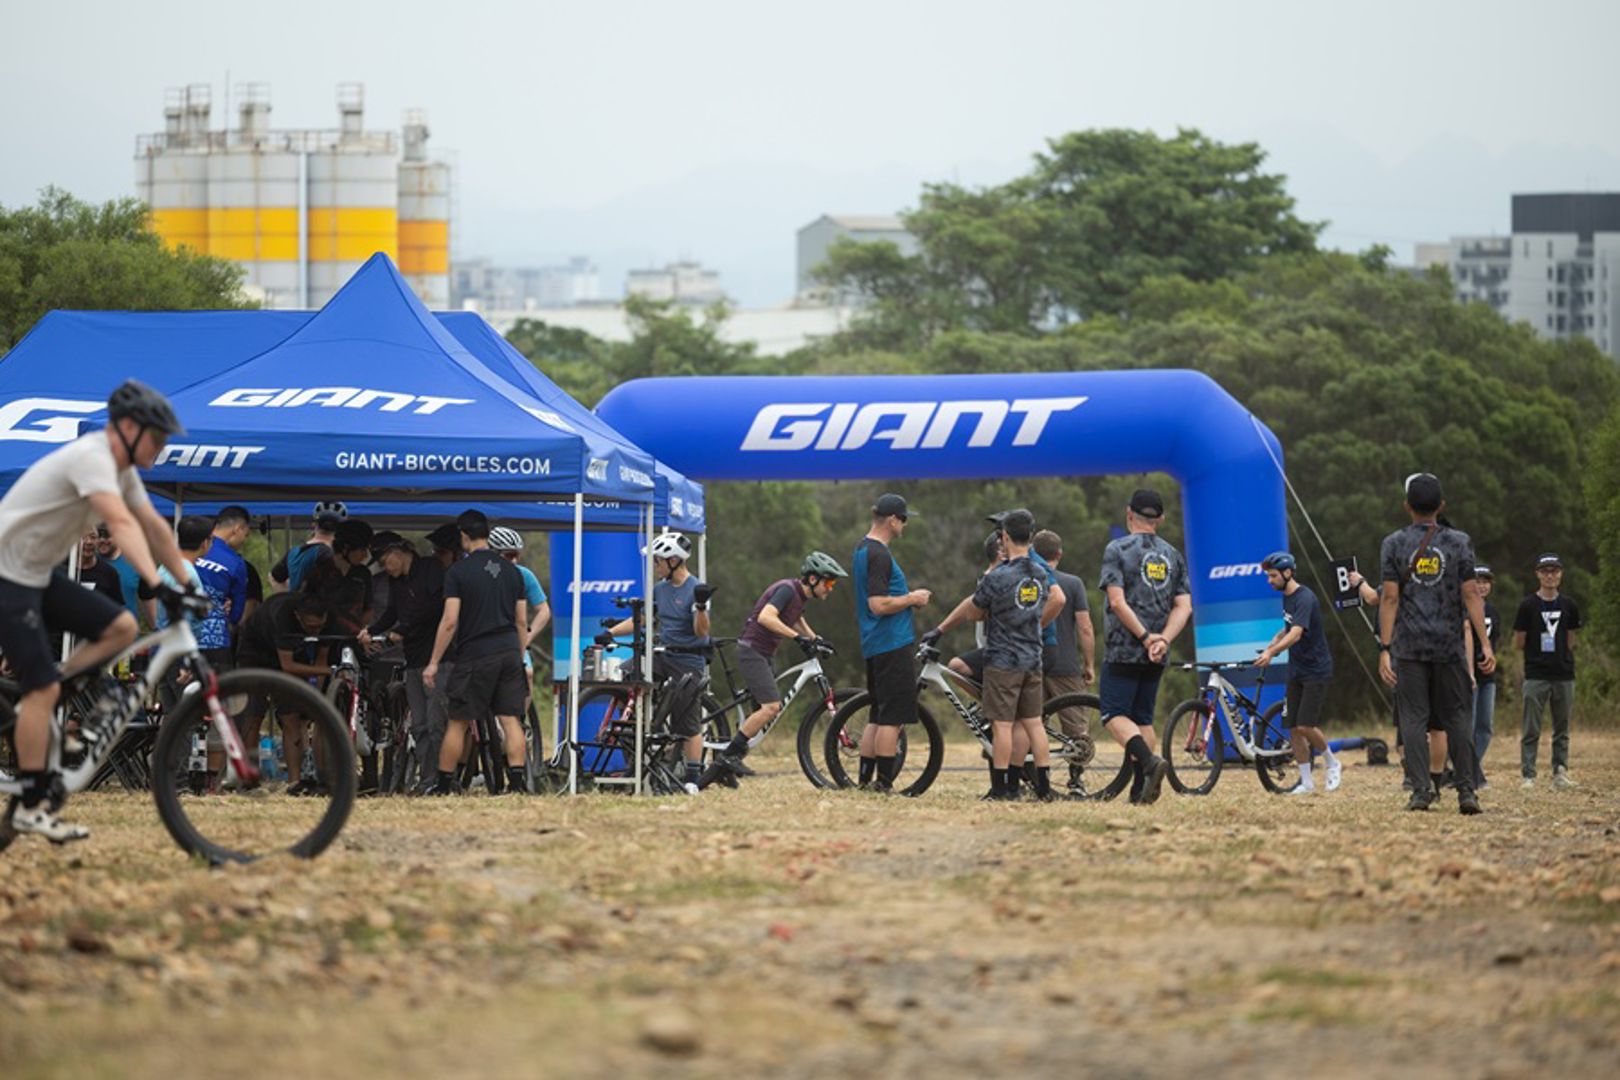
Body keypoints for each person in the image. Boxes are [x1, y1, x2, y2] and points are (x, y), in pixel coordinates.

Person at [0, 379, 193, 842]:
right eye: (156, 437)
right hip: (7, 574)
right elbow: (122, 523)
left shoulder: (121, 470)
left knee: (121, 626)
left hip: (36, 574)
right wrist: (154, 583)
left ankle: (52, 699)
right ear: (127, 428)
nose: (161, 447)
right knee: (41, 688)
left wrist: (185, 585)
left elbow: (153, 527)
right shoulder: (92, 458)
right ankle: (30, 804)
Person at [925, 508, 1063, 800]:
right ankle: (1044, 788)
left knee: (1002, 726)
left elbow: (975, 612)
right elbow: (1050, 600)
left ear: (1005, 537)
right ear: (1031, 537)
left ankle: (1001, 788)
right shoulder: (1041, 573)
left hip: (1003, 660)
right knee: (1034, 723)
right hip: (1032, 658)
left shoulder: (998, 576)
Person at [1377, 473, 1493, 814]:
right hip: (1449, 646)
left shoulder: (1393, 544)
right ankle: (1467, 791)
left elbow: (1390, 598)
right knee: (1458, 718)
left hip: (1410, 648)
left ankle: (1420, 791)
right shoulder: (1459, 542)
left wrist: (1385, 648)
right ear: (1441, 506)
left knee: (1413, 719)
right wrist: (1485, 644)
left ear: (1407, 506)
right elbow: (1471, 594)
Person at [699, 552, 846, 788]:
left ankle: (723, 771)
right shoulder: (787, 589)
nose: (830, 588)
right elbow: (766, 617)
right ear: (812, 579)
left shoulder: (800, 596)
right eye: (828, 583)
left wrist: (815, 638)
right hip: (752, 651)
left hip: (765, 654)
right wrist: (798, 638)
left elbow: (795, 618)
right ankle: (728, 757)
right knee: (771, 707)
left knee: (761, 716)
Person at [423, 511, 529, 795]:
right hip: (509, 651)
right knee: (510, 719)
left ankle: (444, 786)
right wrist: (519, 656)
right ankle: (516, 785)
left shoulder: (458, 572)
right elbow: (521, 621)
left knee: (458, 721)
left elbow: (450, 621)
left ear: (463, 535)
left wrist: (433, 662)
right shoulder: (513, 572)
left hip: (476, 653)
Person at [598, 530, 712, 792]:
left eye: (658, 561)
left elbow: (702, 631)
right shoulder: (660, 589)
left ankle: (692, 779)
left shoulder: (696, 588)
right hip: (663, 654)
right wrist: (610, 633)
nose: (655, 566)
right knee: (626, 672)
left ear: (673, 561)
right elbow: (642, 619)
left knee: (688, 723)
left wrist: (701, 607)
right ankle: (641, 723)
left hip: (688, 659)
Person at [1097, 489, 1189, 805]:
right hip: (1158, 652)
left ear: (1129, 514)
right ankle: (1141, 790)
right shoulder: (1174, 555)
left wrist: (1145, 637)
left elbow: (1116, 601)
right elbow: (1184, 606)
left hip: (1124, 646)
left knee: (1113, 715)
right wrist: (1163, 639)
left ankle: (1149, 764)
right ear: (1160, 519)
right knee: (1143, 720)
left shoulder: (1117, 549)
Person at [850, 494, 930, 793]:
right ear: (893, 520)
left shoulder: (862, 549)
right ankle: (884, 784)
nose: (905, 525)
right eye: (904, 519)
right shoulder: (880, 554)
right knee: (893, 719)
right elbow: (878, 604)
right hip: (891, 642)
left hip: (874, 643)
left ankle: (865, 782)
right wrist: (912, 598)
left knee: (878, 715)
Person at [361, 531, 451, 794]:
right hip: (413, 658)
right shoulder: (396, 581)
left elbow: (434, 608)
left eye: (384, 561)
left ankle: (445, 779)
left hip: (439, 657)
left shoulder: (431, 569)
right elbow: (392, 612)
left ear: (398, 552)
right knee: (419, 724)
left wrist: (404, 629)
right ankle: (427, 779)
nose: (385, 569)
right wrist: (371, 630)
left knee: (437, 722)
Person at [1254, 551, 1342, 795]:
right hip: (1297, 669)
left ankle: (1332, 763)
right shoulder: (1287, 597)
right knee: (1293, 728)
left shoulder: (1305, 598)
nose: (1269, 581)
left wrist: (1273, 653)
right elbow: (1288, 628)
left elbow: (1296, 633)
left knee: (1305, 725)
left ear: (1288, 573)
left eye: (1273, 576)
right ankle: (1306, 782)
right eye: (1268, 576)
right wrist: (1274, 641)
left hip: (1316, 669)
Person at [235, 591, 335, 789]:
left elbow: (321, 660)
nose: (316, 632)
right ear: (298, 617)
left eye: (320, 627)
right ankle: (249, 778)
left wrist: (316, 692)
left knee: (291, 716)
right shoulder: (283, 617)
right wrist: (330, 670)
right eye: (311, 627)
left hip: (291, 654)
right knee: (254, 714)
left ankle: (294, 782)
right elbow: (287, 666)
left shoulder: (326, 621)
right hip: (255, 654)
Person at [1032, 528, 1096, 794]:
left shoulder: (1028, 581)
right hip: (1066, 664)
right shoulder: (1073, 583)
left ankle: (1035, 779)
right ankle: (1076, 780)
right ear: (1059, 554)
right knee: (1076, 727)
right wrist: (1089, 664)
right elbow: (1085, 628)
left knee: (1033, 723)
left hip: (1033, 662)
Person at [1514, 552, 1582, 790]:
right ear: (1538, 575)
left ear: (1561, 574)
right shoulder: (1527, 605)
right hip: (1536, 674)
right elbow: (1519, 641)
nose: (1550, 576)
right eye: (1545, 571)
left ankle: (1560, 771)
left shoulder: (1569, 605)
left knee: (1562, 728)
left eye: (1554, 571)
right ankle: (1528, 774)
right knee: (1531, 727)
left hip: (1563, 673)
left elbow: (1571, 639)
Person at [488, 526, 553, 677]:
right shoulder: (480, 574)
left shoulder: (524, 575)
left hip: (512, 639)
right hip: (485, 640)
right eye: (510, 555)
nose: (515, 560)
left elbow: (544, 611)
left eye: (517, 555)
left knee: (527, 673)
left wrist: (527, 637)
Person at [193, 506, 252, 671]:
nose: (244, 540)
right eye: (246, 534)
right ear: (238, 529)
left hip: (180, 638)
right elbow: (237, 612)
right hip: (215, 641)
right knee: (218, 687)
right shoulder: (235, 562)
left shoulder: (190, 546)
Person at [947, 530, 1004, 693]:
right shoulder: (989, 579)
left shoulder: (1000, 578)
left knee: (956, 666)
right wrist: (940, 629)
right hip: (988, 647)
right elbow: (971, 606)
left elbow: (973, 613)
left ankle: (989, 704)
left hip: (1003, 652)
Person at [1465, 564, 1501, 789]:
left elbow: (1496, 641)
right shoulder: (1463, 609)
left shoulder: (1493, 611)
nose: (1482, 586)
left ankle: (1468, 768)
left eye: (1486, 582)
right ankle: (1471, 773)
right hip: (1468, 676)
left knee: (1485, 727)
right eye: (1477, 581)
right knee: (1467, 727)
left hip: (1488, 676)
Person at [270, 501, 346, 593]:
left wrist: (289, 597)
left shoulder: (294, 552)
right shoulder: (330, 554)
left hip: (298, 602)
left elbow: (274, 577)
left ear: (314, 525)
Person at [76, 529, 125, 607]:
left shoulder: (109, 573)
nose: (89, 542)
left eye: (93, 537)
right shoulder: (61, 569)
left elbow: (116, 608)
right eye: (83, 537)